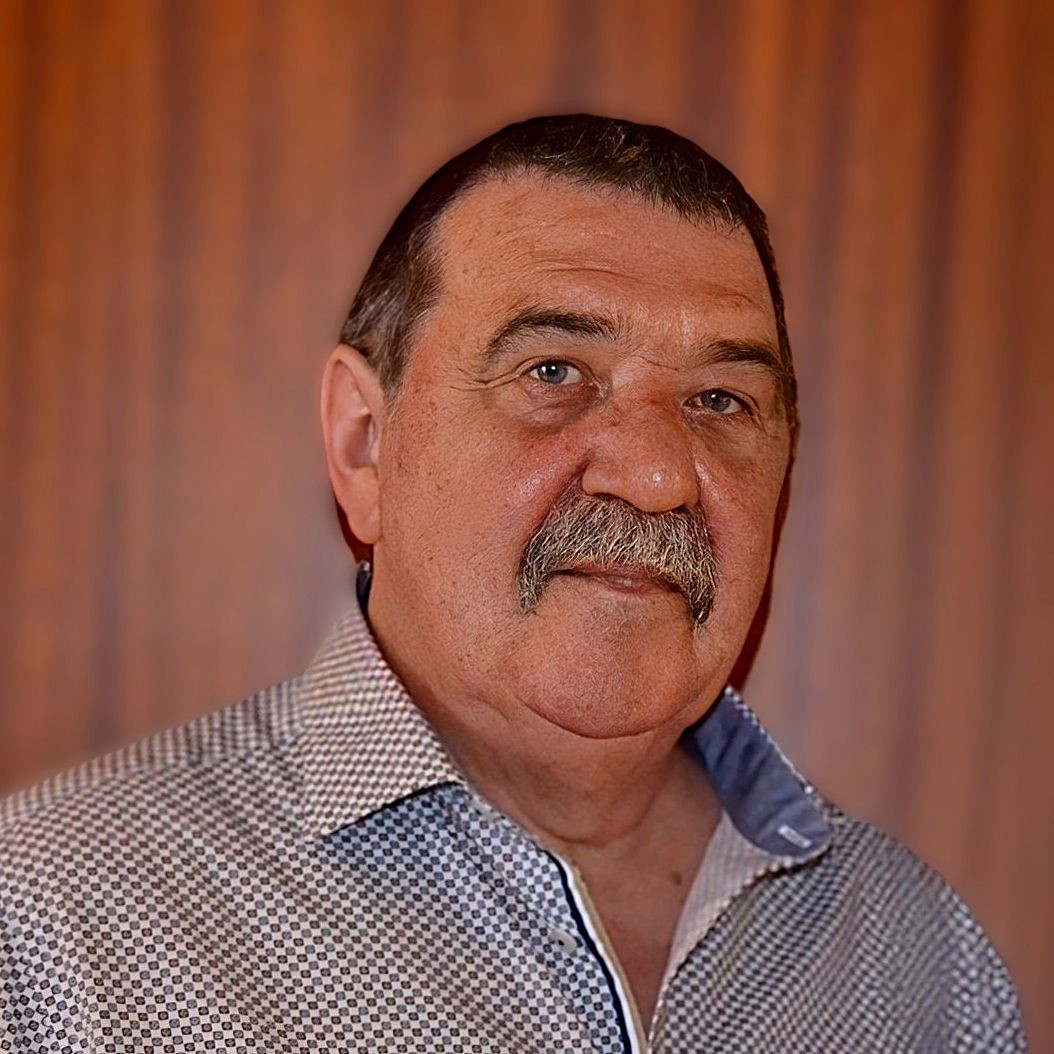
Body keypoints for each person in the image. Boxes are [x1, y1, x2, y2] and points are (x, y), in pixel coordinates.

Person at [0, 115, 1024, 1052]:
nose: (656, 474)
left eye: (720, 399)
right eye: (553, 373)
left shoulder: (921, 963)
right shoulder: (54, 931)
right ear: (364, 444)